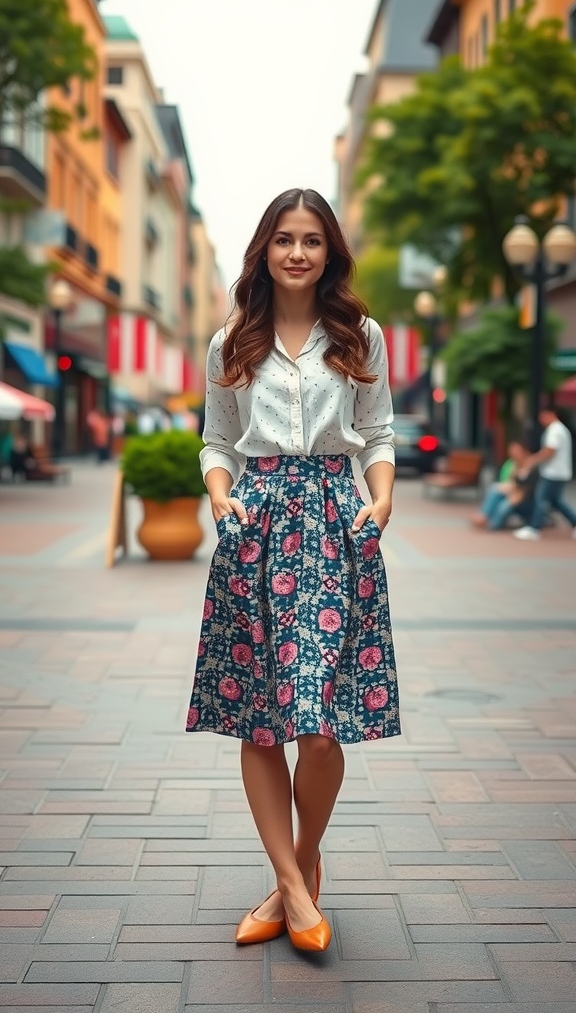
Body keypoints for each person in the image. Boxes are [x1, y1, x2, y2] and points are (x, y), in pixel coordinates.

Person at [185, 188, 399, 953]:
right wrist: (221, 500)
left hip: (338, 529)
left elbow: (376, 433)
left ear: (330, 251)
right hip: (257, 525)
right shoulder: (232, 341)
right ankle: (297, 890)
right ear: (265, 250)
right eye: (284, 239)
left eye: (311, 239)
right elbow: (216, 440)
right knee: (261, 716)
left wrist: (380, 502)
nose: (298, 252)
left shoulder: (360, 335)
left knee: (320, 728)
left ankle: (295, 873)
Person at [513, 407, 576, 540]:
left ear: (551, 414)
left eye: (543, 415)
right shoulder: (560, 429)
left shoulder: (555, 430)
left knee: (541, 498)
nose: (541, 419)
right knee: (556, 501)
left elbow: (550, 450)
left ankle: (534, 528)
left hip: (554, 472)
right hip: (559, 472)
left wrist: (533, 460)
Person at [471, 442, 537, 530]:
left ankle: (493, 523)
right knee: (495, 490)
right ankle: (484, 516)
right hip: (514, 493)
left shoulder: (531, 466)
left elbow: (528, 487)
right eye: (512, 451)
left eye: (517, 451)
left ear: (524, 452)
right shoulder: (512, 464)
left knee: (505, 504)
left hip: (526, 499)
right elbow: (510, 481)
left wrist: (514, 490)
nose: (514, 454)